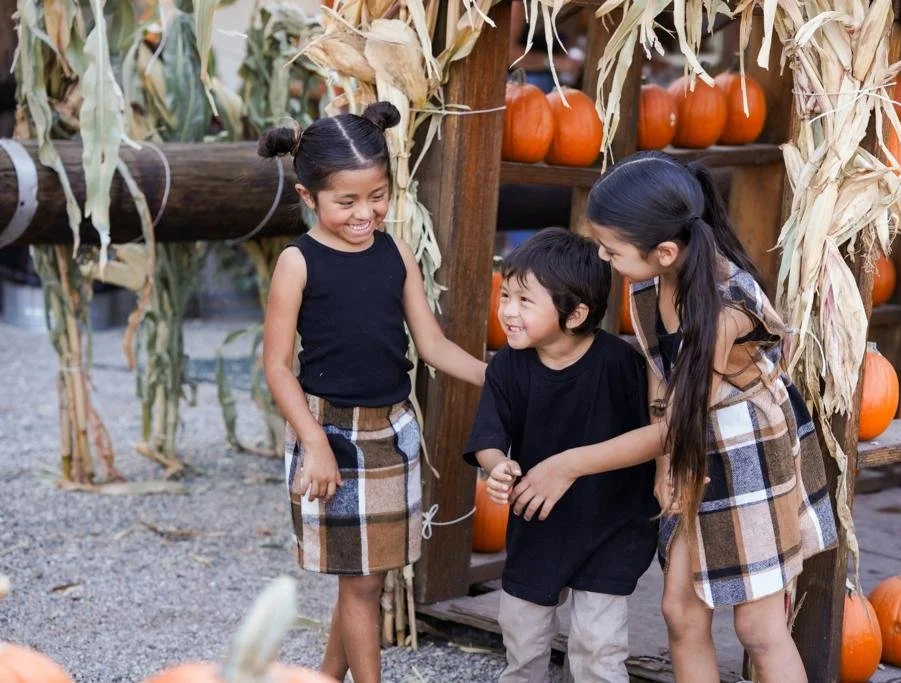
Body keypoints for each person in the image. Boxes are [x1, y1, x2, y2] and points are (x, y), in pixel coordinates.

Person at [499, 152, 838, 683]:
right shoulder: (649, 281)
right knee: (680, 613)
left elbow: (680, 424)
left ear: (664, 250)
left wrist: (568, 464)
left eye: (612, 250)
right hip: (683, 444)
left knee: (758, 628)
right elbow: (662, 373)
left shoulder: (726, 307)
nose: (603, 259)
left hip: (746, 452)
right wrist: (664, 469)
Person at [259, 101, 487, 682]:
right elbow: (278, 367)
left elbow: (431, 345)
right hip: (330, 431)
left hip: (393, 430)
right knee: (360, 581)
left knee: (366, 575)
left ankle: (326, 677)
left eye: (378, 195)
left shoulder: (396, 252)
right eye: (347, 201)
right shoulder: (297, 263)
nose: (367, 213)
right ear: (308, 196)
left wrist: (501, 375)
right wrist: (313, 442)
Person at [465, 227, 658, 683]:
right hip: (538, 523)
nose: (507, 311)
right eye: (505, 295)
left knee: (597, 645)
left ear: (575, 314)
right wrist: (499, 467)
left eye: (523, 301)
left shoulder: (621, 365)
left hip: (610, 524)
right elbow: (489, 437)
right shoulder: (508, 366)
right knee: (522, 639)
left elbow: (656, 436)